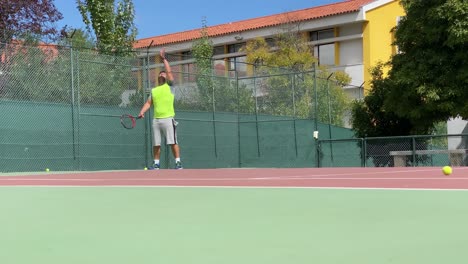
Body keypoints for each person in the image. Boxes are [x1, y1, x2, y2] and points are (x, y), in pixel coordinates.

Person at [138, 48, 182, 170]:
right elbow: (148, 103)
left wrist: (164, 59)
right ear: (158, 77)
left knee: (173, 142)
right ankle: (156, 164)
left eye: (164, 73)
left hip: (168, 118)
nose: (162, 74)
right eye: (160, 73)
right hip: (156, 120)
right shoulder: (154, 90)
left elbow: (169, 72)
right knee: (156, 143)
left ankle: (178, 162)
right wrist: (142, 112)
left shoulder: (170, 86)